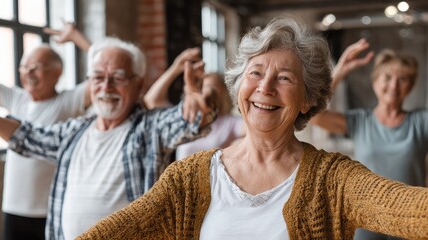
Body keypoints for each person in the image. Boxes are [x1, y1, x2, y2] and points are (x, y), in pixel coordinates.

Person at [76, 16, 428, 240]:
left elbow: (407, 207)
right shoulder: (186, 179)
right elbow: (116, 231)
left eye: (285, 77)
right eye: (255, 73)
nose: (265, 87)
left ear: (307, 100)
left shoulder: (333, 180)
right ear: (238, 85)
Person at [0, 37, 216, 240]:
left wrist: (197, 96)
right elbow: (28, 136)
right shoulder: (75, 131)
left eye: (117, 78)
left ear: (139, 85)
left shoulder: (150, 128)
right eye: (98, 77)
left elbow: (194, 120)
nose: (106, 87)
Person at [310, 40, 428, 240]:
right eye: (387, 77)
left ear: (411, 86)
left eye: (403, 79)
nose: (393, 86)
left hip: (411, 220)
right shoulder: (359, 121)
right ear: (375, 81)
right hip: (366, 222)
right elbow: (314, 115)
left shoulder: (421, 121)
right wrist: (339, 72)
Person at [0, 26, 92, 240]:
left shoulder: (68, 101)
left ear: (56, 73)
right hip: (13, 210)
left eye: (36, 67)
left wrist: (78, 37)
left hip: (51, 211)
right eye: (24, 67)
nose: (28, 73)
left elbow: (106, 69)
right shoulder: (16, 98)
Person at [144, 49, 245, 160]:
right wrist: (176, 68)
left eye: (213, 87)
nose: (207, 91)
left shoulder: (230, 123)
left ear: (223, 94)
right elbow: (151, 101)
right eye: (203, 86)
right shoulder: (186, 117)